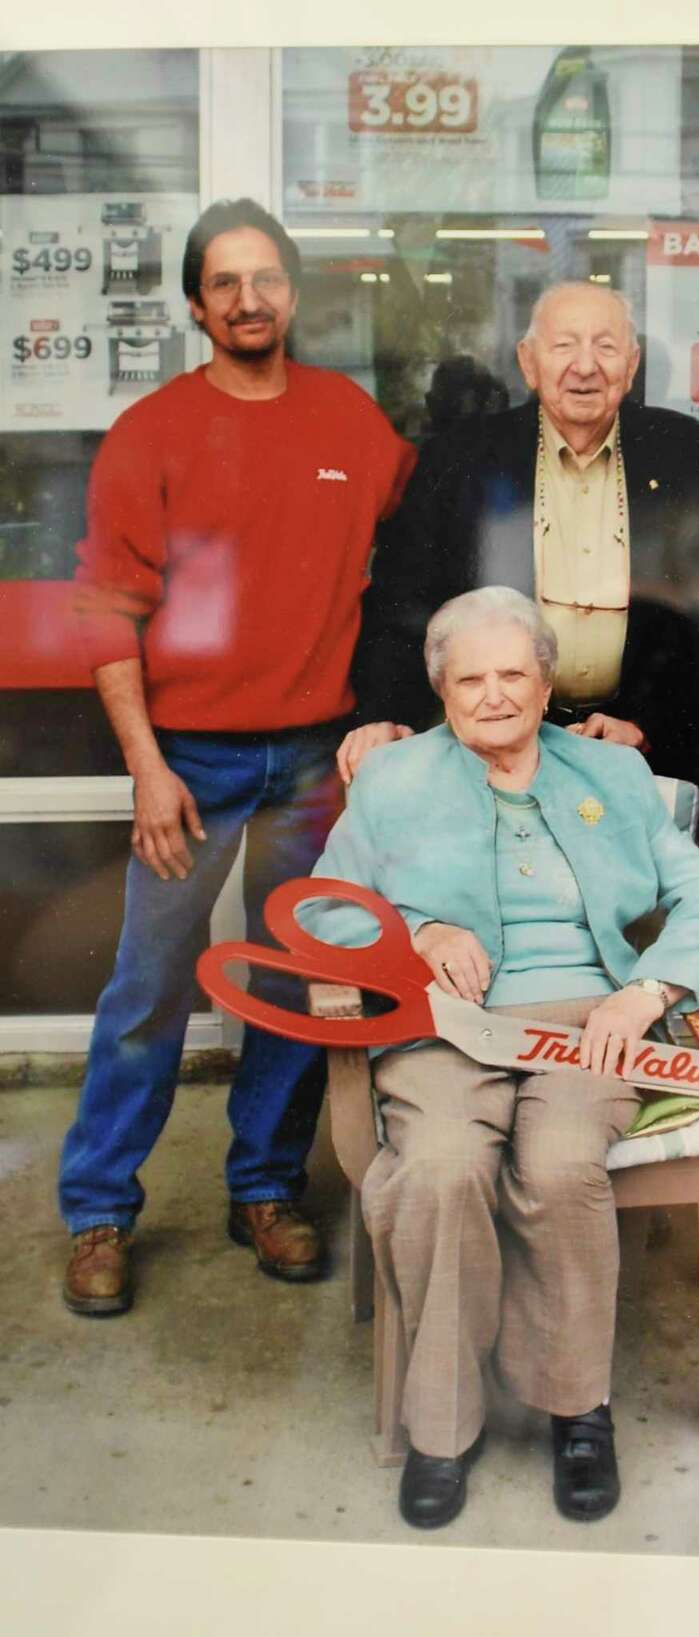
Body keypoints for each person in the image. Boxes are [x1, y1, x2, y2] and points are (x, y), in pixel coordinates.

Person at [303, 586, 699, 1529]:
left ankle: (577, 1410)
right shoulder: (393, 781)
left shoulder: (615, 778)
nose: (494, 695)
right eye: (471, 678)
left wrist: (650, 989)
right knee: (442, 1166)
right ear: (441, 690)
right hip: (447, 1023)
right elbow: (324, 909)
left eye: (514, 674)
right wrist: (414, 934)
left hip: (592, 1019)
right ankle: (443, 1426)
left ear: (548, 682)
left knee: (559, 1162)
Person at [58, 198, 416, 1316]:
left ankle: (262, 1187)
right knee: (147, 988)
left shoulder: (350, 423)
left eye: (267, 278)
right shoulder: (151, 433)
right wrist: (147, 767)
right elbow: (109, 613)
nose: (250, 299)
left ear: (292, 294)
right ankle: (99, 1210)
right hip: (192, 759)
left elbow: (416, 544)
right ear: (197, 304)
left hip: (316, 754)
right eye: (226, 282)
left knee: (297, 982)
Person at [343, 281, 699, 826]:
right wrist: (384, 717)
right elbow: (402, 603)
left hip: (632, 756)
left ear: (631, 366)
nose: (585, 366)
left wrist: (646, 725)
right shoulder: (458, 459)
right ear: (528, 364)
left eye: (605, 347)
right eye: (564, 346)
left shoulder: (694, 458)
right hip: (485, 751)